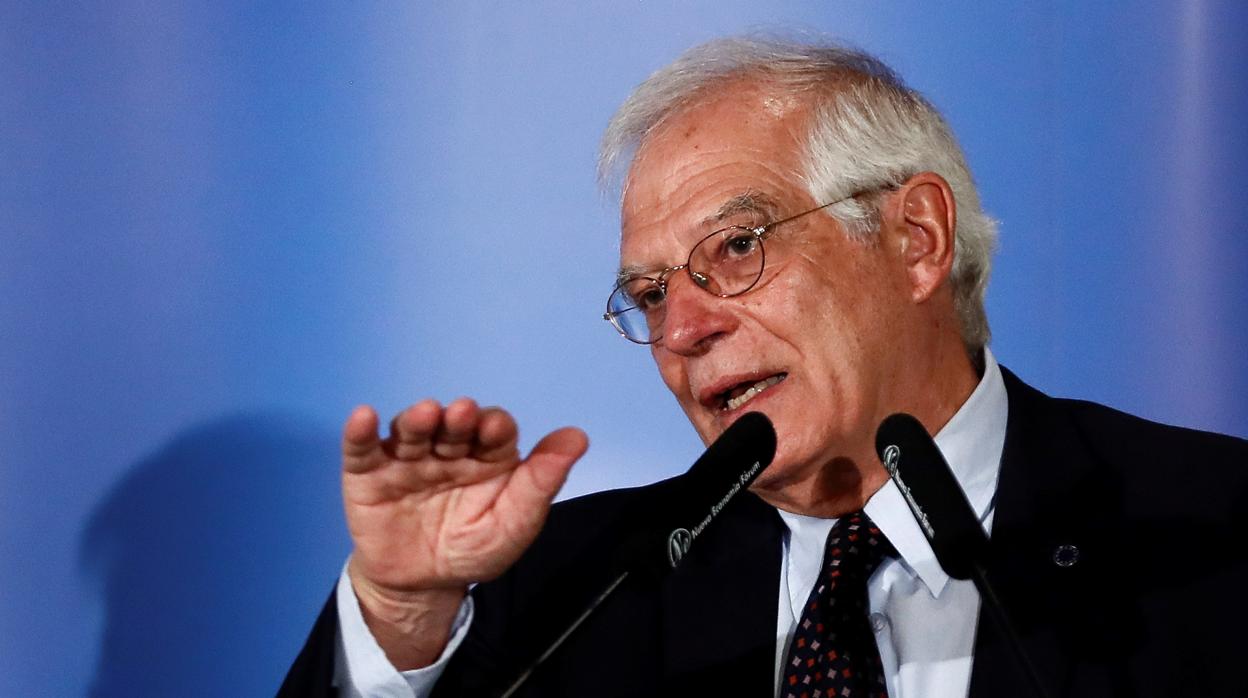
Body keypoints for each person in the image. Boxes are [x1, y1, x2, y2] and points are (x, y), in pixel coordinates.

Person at [282, 36, 1248, 698]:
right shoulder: (564, 593)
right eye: (651, 293)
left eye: (738, 247)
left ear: (916, 238)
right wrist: (403, 614)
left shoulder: (1217, 526)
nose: (683, 328)